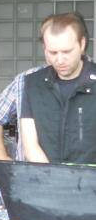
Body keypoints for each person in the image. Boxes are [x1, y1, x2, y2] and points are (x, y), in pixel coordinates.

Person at [20, 12, 96, 164]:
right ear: (44, 48)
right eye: (53, 52)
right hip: (45, 176)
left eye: (67, 51)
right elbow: (30, 146)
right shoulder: (33, 84)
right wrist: (52, 176)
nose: (60, 60)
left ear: (82, 44)